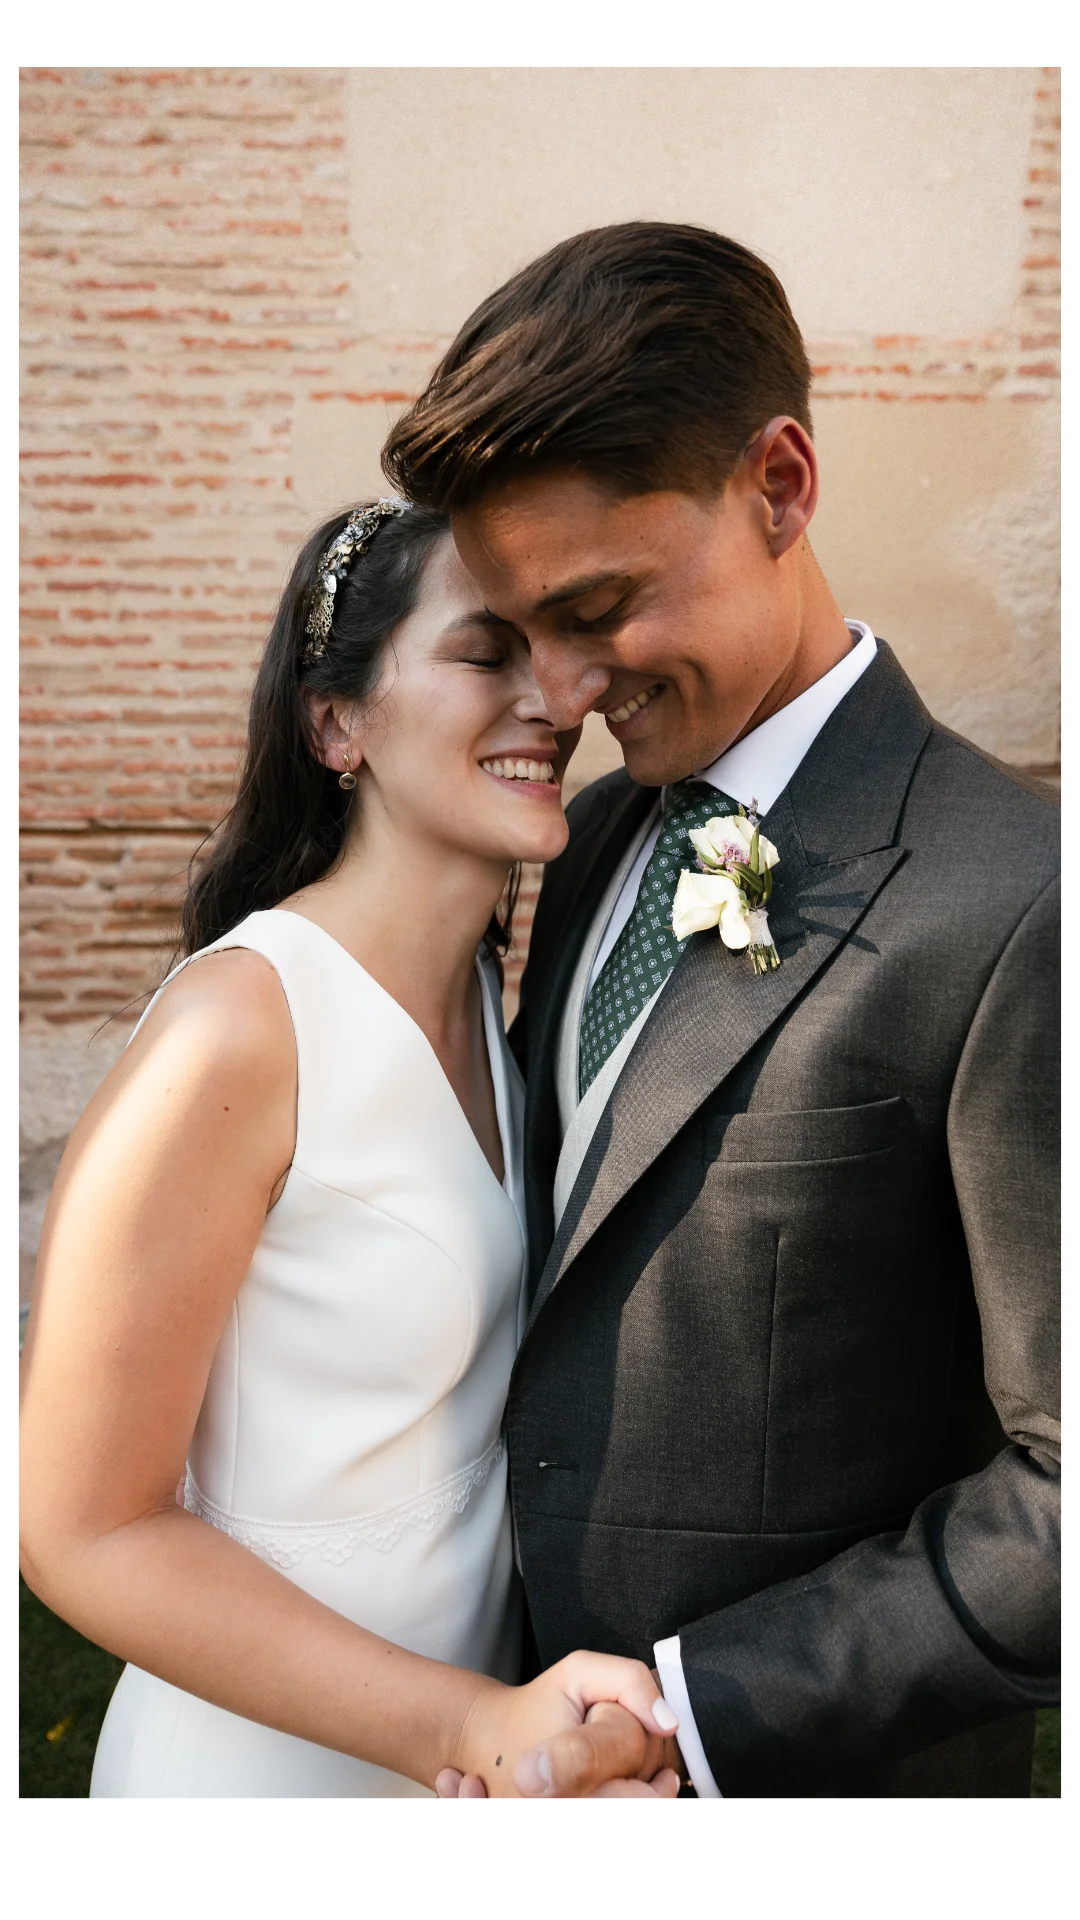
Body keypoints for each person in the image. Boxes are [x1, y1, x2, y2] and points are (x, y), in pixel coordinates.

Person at [386, 222, 1063, 1801]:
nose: (554, 693)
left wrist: (693, 1719)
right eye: (519, 626)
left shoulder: (1021, 903)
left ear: (780, 485)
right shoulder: (596, 834)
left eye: (599, 606)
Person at [17, 498, 681, 1800]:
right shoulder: (238, 1035)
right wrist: (463, 1726)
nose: (551, 695)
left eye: (552, 650)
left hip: (482, 1753)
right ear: (338, 724)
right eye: (484, 652)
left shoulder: (497, 1017)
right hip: (262, 1764)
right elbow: (77, 1527)